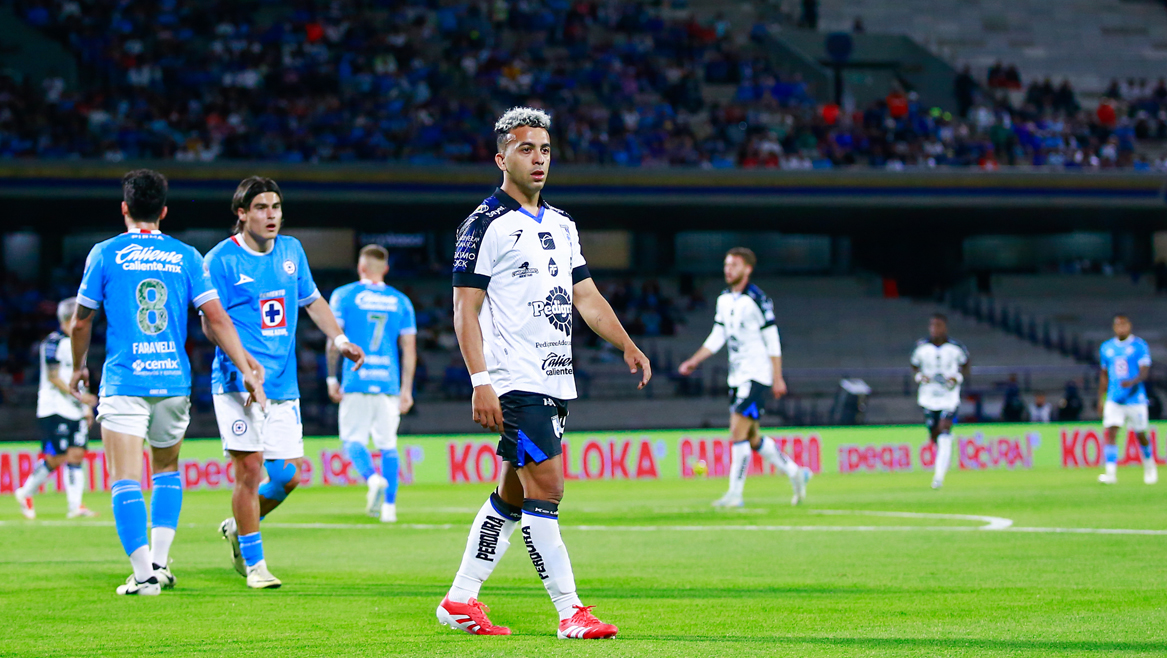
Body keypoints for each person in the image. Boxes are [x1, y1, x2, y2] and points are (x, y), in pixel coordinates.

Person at [436, 107, 651, 639]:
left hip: (554, 379)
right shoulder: (483, 224)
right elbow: (465, 310)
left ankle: (460, 599)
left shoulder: (561, 224)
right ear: (500, 156)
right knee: (548, 489)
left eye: (545, 149)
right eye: (526, 149)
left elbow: (585, 296)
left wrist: (626, 342)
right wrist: (480, 381)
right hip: (513, 379)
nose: (537, 159)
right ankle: (570, 612)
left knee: (512, 493)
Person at [68, 169, 265, 595]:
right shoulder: (188, 256)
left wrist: (77, 366)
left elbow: (81, 321)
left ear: (125, 208)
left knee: (124, 477)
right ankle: (160, 562)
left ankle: (144, 576)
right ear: (164, 211)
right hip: (173, 382)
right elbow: (217, 317)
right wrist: (246, 368)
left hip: (125, 380)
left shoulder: (105, 253)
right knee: (166, 471)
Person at [207, 176, 364, 589]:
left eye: (275, 207)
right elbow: (211, 322)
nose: (271, 215)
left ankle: (240, 527)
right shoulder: (221, 259)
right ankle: (255, 565)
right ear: (241, 214)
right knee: (250, 469)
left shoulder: (292, 251)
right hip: (237, 384)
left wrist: (341, 339)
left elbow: (311, 300)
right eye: (261, 208)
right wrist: (243, 365)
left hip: (282, 384)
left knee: (289, 475)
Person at [678, 247, 807, 507]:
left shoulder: (757, 300)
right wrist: (694, 360)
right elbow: (718, 336)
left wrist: (777, 377)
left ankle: (735, 495)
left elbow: (773, 340)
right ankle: (796, 472)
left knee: (736, 431)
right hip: (737, 377)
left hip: (757, 376)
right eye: (726, 265)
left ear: (747, 269)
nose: (728, 269)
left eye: (734, 265)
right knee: (752, 437)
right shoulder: (724, 300)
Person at [327, 244, 417, 522]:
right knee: (388, 444)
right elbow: (409, 349)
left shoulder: (344, 295)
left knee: (352, 440)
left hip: (356, 378)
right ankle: (389, 507)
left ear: (361, 267)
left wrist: (332, 377)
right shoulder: (401, 301)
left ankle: (372, 478)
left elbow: (334, 342)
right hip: (388, 382)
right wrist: (406, 389)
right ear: (385, 269)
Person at [14, 298, 98, 519]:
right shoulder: (52, 343)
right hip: (54, 407)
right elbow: (54, 378)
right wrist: (81, 398)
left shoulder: (79, 343)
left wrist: (85, 407)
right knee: (57, 457)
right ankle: (25, 492)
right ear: (71, 319)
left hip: (75, 407)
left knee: (77, 454)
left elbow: (80, 377)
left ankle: (75, 506)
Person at [910, 314, 969, 489]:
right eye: (933, 326)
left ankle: (938, 478)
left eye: (939, 325)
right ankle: (944, 454)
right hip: (928, 397)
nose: (936, 329)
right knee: (934, 433)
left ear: (945, 327)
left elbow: (965, 365)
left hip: (949, 397)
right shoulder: (921, 347)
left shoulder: (955, 347)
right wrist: (920, 377)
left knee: (944, 428)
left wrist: (956, 377)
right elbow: (914, 365)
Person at [1097, 315, 1156, 485]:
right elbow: (1103, 375)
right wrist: (1101, 398)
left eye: (1124, 324)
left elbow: (1145, 370)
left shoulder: (1139, 345)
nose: (1121, 328)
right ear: (1114, 327)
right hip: (1114, 398)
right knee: (1111, 432)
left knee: (1140, 434)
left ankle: (1149, 466)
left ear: (1129, 325)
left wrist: (1133, 381)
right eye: (1118, 325)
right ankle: (1110, 474)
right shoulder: (1106, 347)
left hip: (1135, 399)